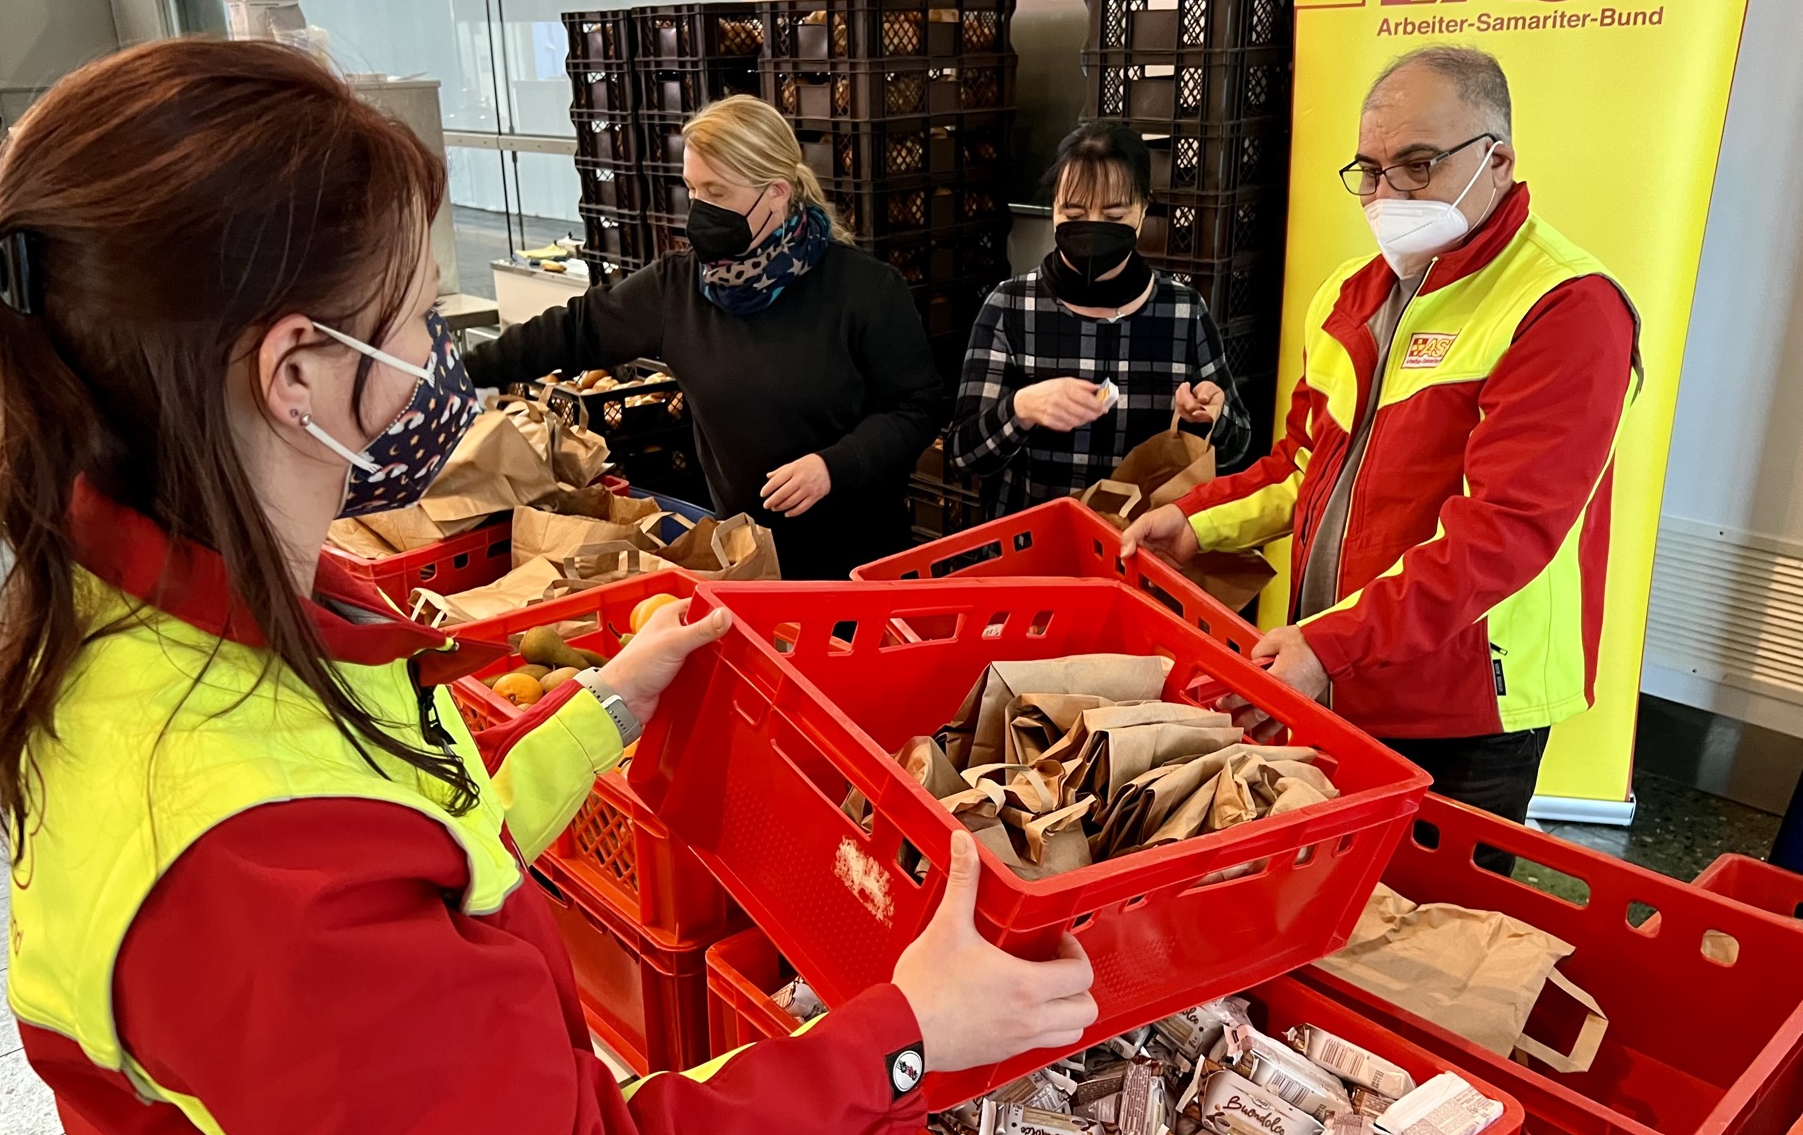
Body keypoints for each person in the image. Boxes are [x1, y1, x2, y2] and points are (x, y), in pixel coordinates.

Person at [0, 39, 1095, 1135]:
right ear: (295, 372)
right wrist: (908, 1037)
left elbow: (421, 843)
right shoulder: (244, 856)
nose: (438, 357)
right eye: (414, 318)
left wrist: (604, 709)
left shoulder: (177, 619)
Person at [1124, 45, 1641, 870]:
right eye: (1369, 169)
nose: (1386, 194)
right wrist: (1193, 522)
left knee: (1438, 936)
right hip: (1336, 667)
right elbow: (1304, 468)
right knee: (1328, 910)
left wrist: (1331, 645)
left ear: (1497, 160)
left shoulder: (1565, 307)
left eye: (1417, 165)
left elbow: (1504, 532)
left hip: (1463, 698)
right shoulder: (1349, 294)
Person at [465, 95, 939, 579]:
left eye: (717, 192)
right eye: (692, 190)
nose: (699, 209)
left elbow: (916, 407)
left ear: (777, 192)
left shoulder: (864, 290)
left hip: (861, 565)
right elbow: (575, 329)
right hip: (746, 560)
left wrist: (835, 465)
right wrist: (453, 369)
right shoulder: (677, 289)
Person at [945, 121, 1250, 518]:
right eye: (1073, 212)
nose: (1092, 227)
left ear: (1143, 209)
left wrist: (1210, 418)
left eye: (1113, 214)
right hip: (1032, 554)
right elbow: (961, 457)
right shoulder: (1010, 307)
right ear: (1054, 208)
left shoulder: (1183, 312)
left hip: (1138, 553)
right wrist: (1021, 409)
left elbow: (1238, 446)